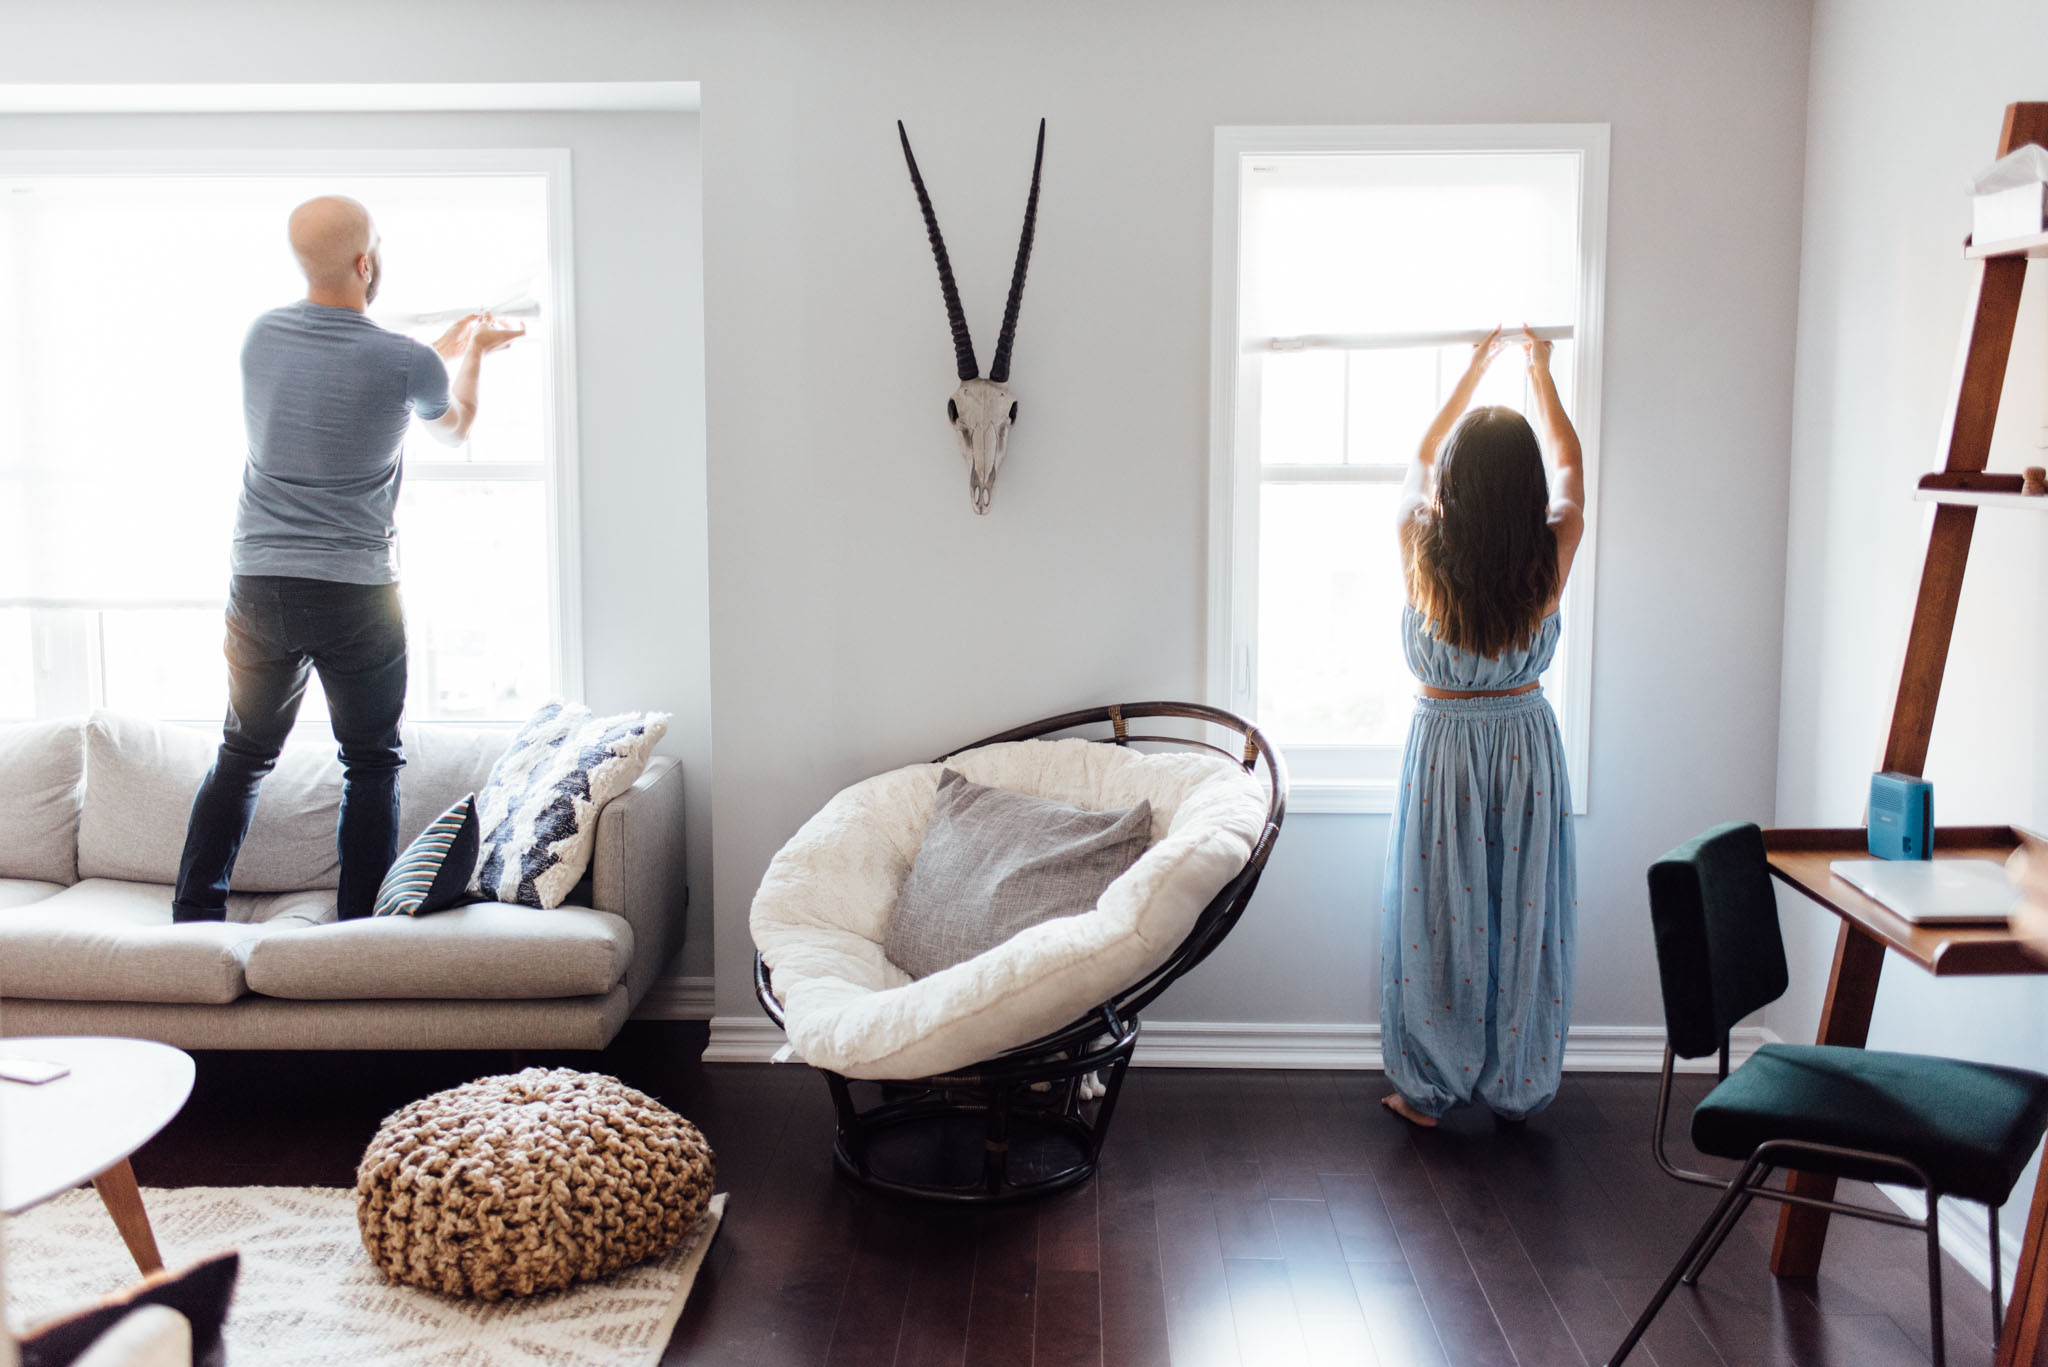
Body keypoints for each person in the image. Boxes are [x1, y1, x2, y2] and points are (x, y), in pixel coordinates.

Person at [170, 195, 523, 924]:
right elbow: (452, 426)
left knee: (243, 754)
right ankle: (360, 931)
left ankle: (193, 919)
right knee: (370, 762)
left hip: (260, 583)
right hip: (356, 593)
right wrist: (472, 358)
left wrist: (439, 347)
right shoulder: (407, 363)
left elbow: (340, 368)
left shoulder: (260, 338)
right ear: (368, 263)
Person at [1378, 326, 1587, 1127]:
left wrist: (1470, 374)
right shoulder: (1550, 553)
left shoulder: (1419, 548)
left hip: (1445, 746)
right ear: (1525, 489)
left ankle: (1431, 1084)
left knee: (1439, 913)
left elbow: (1421, 455)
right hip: (1525, 744)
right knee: (1521, 909)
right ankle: (1515, 1083)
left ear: (1456, 486)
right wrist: (1541, 373)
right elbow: (1569, 465)